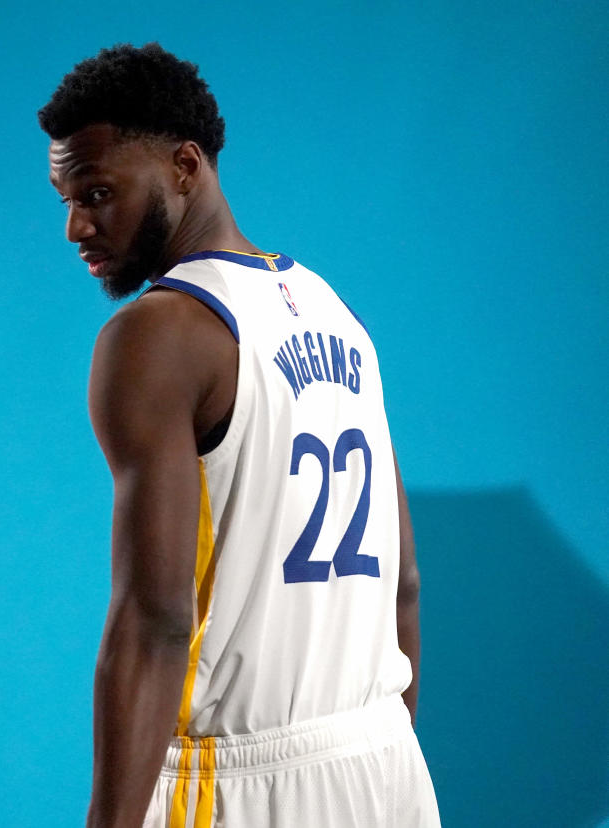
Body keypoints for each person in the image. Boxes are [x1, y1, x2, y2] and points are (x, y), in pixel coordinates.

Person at [38, 44, 440, 828]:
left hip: (240, 785)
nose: (75, 225)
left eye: (96, 192)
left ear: (185, 165)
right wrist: (373, 758)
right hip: (386, 761)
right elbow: (406, 584)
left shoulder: (157, 333)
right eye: (63, 198)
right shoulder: (336, 312)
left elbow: (155, 624)